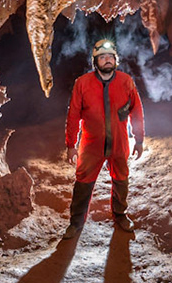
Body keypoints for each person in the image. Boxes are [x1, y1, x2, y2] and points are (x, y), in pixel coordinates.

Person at [60, 37, 147, 235]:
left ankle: (120, 215)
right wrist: (71, 144)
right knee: (83, 182)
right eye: (102, 57)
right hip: (91, 144)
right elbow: (73, 115)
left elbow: (137, 112)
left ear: (116, 60)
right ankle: (75, 223)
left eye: (111, 57)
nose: (107, 60)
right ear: (95, 62)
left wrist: (139, 139)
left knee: (121, 179)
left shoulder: (126, 82)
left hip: (119, 141)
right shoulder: (82, 84)